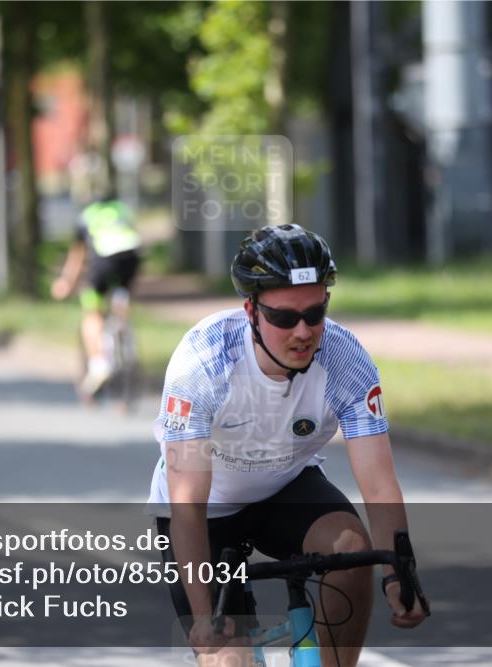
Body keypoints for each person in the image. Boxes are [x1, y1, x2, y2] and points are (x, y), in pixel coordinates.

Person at [147, 224, 428, 667]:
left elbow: (378, 483)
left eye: (315, 314)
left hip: (285, 488)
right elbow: (187, 500)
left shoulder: (344, 360)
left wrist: (400, 574)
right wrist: (205, 619)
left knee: (353, 552)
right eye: (284, 318)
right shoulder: (203, 362)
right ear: (251, 311)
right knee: (227, 659)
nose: (303, 331)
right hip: (207, 512)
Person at [50, 191, 142, 396]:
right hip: (131, 256)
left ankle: (99, 364)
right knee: (121, 292)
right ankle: (122, 327)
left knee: (92, 311)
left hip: (104, 258)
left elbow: (77, 257)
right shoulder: (123, 210)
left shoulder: (87, 216)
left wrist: (65, 283)